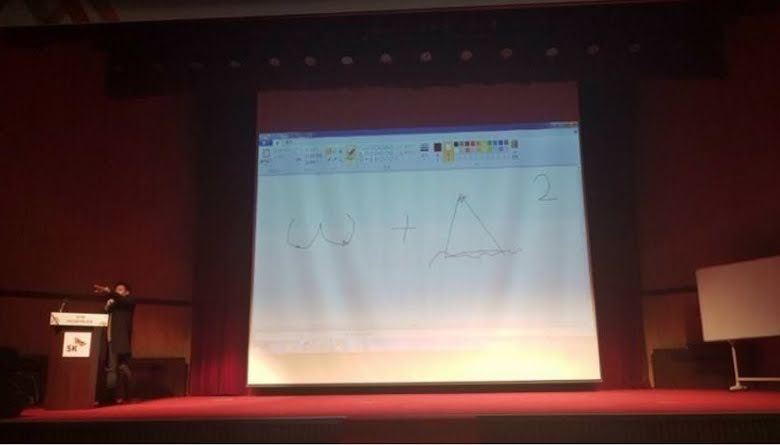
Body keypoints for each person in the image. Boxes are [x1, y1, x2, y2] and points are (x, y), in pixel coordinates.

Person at [93, 282, 135, 404]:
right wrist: (107, 306)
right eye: (116, 290)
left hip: (120, 340)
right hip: (109, 339)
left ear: (127, 292)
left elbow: (120, 299)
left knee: (120, 368)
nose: (117, 292)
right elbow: (102, 317)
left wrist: (109, 292)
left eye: (120, 289)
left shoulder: (129, 301)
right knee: (115, 368)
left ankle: (118, 396)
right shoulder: (114, 304)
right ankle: (118, 396)